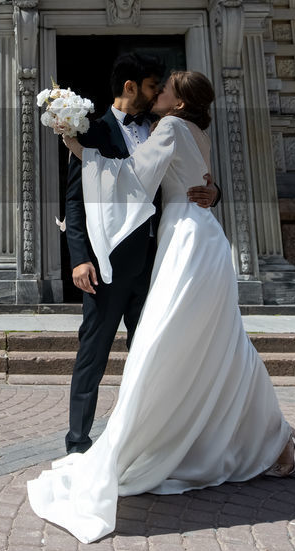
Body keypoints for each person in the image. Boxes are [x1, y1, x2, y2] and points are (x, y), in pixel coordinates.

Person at [30, 70, 295, 544]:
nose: (160, 93)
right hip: (204, 240)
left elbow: (134, 178)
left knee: (164, 346)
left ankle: (162, 442)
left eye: (168, 89)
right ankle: (270, 438)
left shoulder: (172, 128)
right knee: (219, 344)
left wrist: (74, 144)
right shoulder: (197, 130)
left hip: (182, 243)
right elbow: (197, 180)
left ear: (178, 104)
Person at [62, 52, 218, 456]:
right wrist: (79, 258)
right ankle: (78, 444)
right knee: (93, 353)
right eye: (153, 86)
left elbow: (192, 173)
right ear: (131, 87)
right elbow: (76, 202)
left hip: (160, 260)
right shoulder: (92, 132)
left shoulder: (164, 126)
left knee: (153, 353)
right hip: (107, 264)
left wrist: (213, 192)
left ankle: (149, 440)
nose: (157, 93)